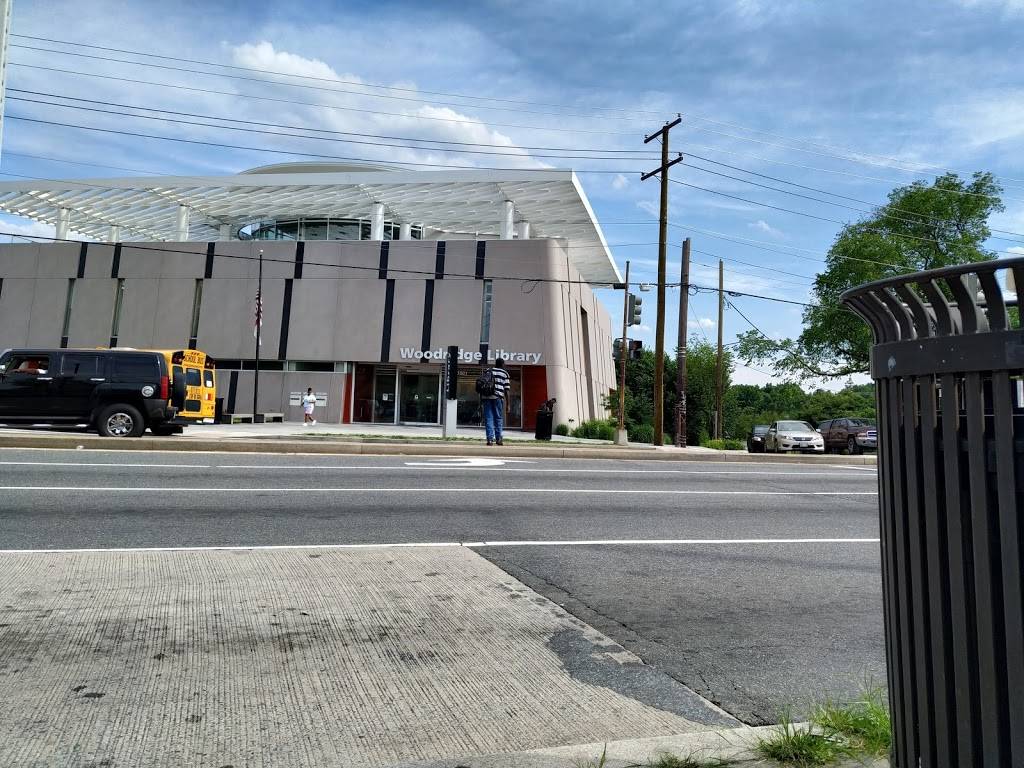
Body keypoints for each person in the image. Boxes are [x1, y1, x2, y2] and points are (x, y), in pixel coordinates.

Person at [481, 357, 511, 446]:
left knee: (489, 418)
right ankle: (498, 439)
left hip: (487, 397)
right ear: (502, 364)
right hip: (498, 398)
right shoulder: (505, 373)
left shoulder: (488, 371)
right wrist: (508, 404)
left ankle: (490, 439)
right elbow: (507, 390)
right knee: (498, 418)